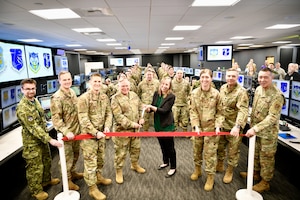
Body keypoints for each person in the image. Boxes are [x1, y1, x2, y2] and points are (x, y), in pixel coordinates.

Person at [240, 67, 285, 193]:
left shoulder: (277, 95)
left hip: (267, 134)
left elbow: (272, 117)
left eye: (265, 77)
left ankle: (265, 182)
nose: (262, 80)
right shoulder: (259, 89)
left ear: (271, 78)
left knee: (266, 158)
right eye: (260, 77)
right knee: (256, 155)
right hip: (256, 131)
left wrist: (255, 128)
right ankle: (256, 174)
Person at [16, 78, 61, 200]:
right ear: (22, 90)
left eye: (32, 88)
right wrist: (50, 139)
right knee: (35, 167)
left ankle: (46, 181)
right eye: (27, 89)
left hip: (42, 139)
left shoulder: (34, 101)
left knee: (46, 161)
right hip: (32, 143)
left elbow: (41, 119)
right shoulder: (22, 107)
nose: (31, 91)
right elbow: (34, 127)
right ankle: (36, 190)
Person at [77, 73, 113, 200]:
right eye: (95, 82)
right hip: (89, 137)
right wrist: (95, 132)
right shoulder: (83, 98)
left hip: (102, 135)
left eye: (99, 81)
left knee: (100, 159)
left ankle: (98, 177)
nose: (97, 84)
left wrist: (107, 126)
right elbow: (83, 119)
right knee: (90, 163)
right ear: (90, 83)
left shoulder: (104, 97)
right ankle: (92, 188)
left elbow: (109, 113)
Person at [189, 69, 223, 191]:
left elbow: (220, 112)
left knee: (210, 154)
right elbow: (192, 111)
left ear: (211, 78)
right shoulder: (194, 93)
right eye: (202, 77)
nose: (204, 79)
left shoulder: (216, 94)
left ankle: (210, 177)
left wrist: (218, 125)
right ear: (200, 78)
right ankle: (197, 170)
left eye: (207, 77)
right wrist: (195, 125)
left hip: (211, 128)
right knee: (196, 150)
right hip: (198, 128)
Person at [50, 71, 83, 191]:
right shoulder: (57, 97)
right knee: (66, 159)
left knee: (75, 155)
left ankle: (72, 173)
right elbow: (56, 119)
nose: (67, 81)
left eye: (69, 79)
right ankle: (67, 180)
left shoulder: (72, 92)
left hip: (76, 132)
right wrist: (66, 131)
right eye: (64, 80)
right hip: (66, 135)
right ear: (59, 81)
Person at [111, 77, 146, 184]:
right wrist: (132, 124)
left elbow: (140, 107)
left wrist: (141, 117)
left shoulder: (134, 95)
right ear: (119, 87)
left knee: (136, 149)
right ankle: (119, 171)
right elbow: (118, 116)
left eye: (127, 86)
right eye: (123, 86)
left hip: (135, 131)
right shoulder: (115, 99)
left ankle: (134, 164)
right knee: (121, 153)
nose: (125, 88)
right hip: (122, 132)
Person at [217, 68, 249, 184]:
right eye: (229, 76)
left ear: (237, 77)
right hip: (222, 124)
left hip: (234, 127)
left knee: (233, 150)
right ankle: (220, 164)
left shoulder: (241, 92)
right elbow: (220, 106)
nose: (230, 78)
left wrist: (238, 126)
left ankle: (229, 170)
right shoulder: (222, 88)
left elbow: (243, 110)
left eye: (233, 76)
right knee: (220, 147)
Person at [146, 76, 177, 177]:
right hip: (158, 124)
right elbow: (153, 105)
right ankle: (165, 162)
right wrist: (148, 109)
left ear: (169, 86)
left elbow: (165, 111)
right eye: (163, 84)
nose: (164, 86)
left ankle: (173, 167)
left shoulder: (171, 96)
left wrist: (152, 108)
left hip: (167, 125)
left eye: (166, 85)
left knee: (170, 148)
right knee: (162, 145)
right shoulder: (156, 94)